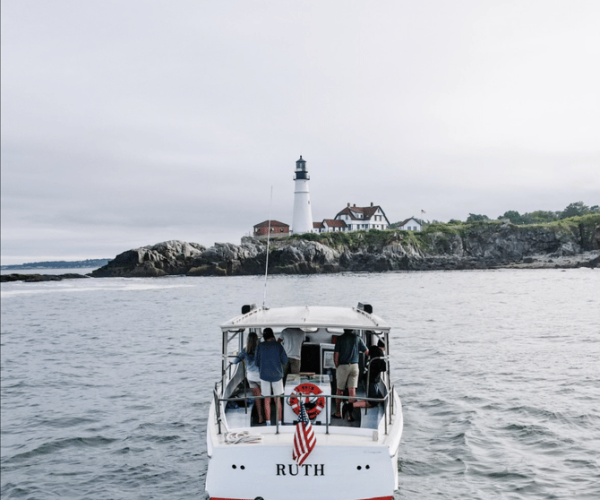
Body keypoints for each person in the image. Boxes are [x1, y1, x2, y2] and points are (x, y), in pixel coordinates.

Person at [332, 329, 368, 421]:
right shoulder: (358, 338)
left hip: (343, 366)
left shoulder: (340, 339)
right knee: (352, 391)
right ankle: (350, 415)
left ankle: (338, 412)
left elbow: (336, 354)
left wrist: (336, 365)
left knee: (340, 390)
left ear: (344, 329)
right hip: (355, 366)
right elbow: (366, 351)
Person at [255, 327, 288, 425]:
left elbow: (256, 363)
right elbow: (285, 361)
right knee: (277, 399)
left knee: (266, 400)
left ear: (264, 337)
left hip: (264, 376)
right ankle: (279, 423)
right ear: (272, 335)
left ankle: (268, 423)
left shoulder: (260, 346)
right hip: (277, 375)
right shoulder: (278, 346)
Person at [231, 331, 264, 424]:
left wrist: (244, 361)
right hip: (261, 377)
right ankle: (267, 416)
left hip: (251, 378)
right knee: (266, 396)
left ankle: (260, 418)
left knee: (257, 398)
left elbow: (235, 361)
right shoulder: (261, 349)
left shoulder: (244, 351)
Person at [346, 342, 387, 414]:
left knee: (378, 398)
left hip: (368, 377)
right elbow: (382, 367)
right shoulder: (379, 354)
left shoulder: (372, 350)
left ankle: (350, 405)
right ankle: (349, 406)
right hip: (372, 379)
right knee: (372, 402)